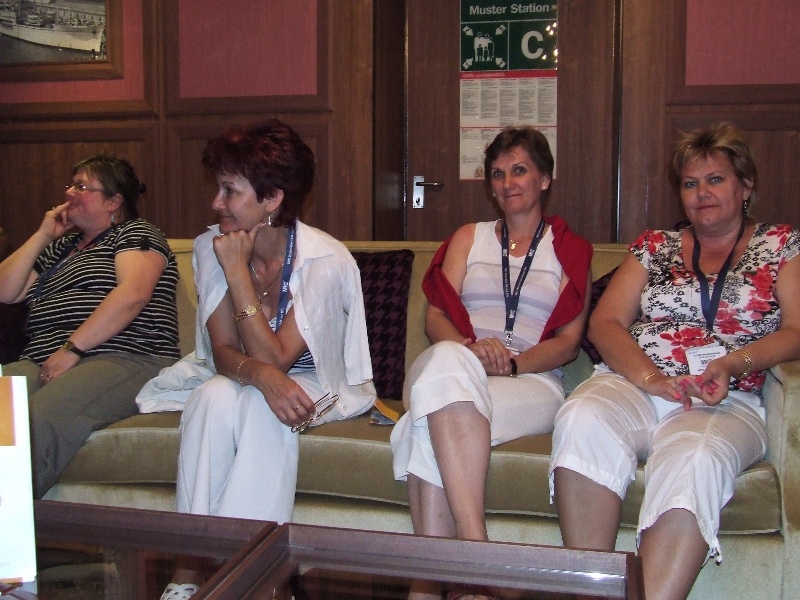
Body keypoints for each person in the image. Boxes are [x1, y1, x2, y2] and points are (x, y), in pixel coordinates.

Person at [550, 122, 800, 600]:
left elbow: (796, 330)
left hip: (725, 397)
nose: (701, 193)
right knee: (582, 416)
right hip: (639, 383)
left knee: (695, 459)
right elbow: (605, 323)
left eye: (715, 179)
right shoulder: (654, 246)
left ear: (746, 186)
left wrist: (733, 364)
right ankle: (589, 591)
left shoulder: (782, 244)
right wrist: (650, 376)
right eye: (690, 183)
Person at [158, 120, 376, 599]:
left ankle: (251, 583)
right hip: (243, 373)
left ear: (273, 198)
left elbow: (278, 357)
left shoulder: (324, 260)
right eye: (219, 188)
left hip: (316, 379)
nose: (216, 203)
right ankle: (186, 571)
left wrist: (237, 272)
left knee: (263, 408)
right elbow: (223, 351)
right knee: (210, 399)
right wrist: (261, 375)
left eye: (230, 191)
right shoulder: (211, 246)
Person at [390, 127, 592, 600]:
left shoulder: (570, 249)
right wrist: (471, 348)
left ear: (545, 178)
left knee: (429, 423)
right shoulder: (468, 238)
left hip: (531, 380)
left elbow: (568, 343)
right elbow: (436, 317)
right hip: (456, 360)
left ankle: (430, 587)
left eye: (519, 170)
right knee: (446, 366)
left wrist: (514, 365)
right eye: (497, 174)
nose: (507, 183)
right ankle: (479, 556)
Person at [0, 154, 180, 499]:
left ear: (113, 202)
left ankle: (10, 520)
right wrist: (41, 235)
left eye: (81, 187)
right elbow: (6, 291)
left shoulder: (136, 233)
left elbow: (133, 294)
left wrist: (72, 349)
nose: (69, 193)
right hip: (41, 359)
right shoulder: (60, 248)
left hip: (125, 356)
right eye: (71, 184)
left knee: (37, 418)